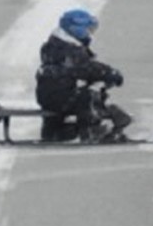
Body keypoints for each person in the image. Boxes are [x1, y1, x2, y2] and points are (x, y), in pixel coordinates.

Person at [35, 8, 132, 143]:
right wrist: (108, 73)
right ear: (76, 29)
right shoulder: (67, 48)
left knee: (85, 94)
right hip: (59, 96)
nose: (90, 34)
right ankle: (90, 130)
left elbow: (78, 69)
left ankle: (53, 131)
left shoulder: (57, 45)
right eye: (88, 29)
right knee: (87, 96)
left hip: (50, 94)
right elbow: (85, 68)